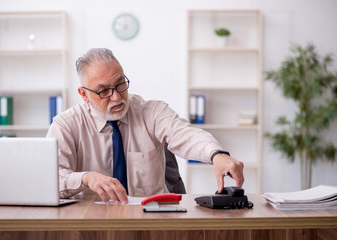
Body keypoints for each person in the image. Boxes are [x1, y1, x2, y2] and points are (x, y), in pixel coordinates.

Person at [46, 48, 244, 204]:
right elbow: (50, 178)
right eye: (104, 91)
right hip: (90, 222)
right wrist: (86, 178)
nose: (116, 97)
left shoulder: (151, 112)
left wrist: (217, 154)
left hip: (150, 218)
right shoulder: (66, 125)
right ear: (84, 95)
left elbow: (186, 134)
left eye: (120, 84)